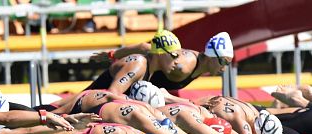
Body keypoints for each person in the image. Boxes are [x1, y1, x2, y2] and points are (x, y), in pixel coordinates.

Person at [92, 31, 234, 95]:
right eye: (223, 62)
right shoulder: (184, 65)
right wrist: (112, 54)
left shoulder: (199, 67)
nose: (224, 67)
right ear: (211, 57)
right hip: (123, 86)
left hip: (137, 92)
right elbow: (147, 47)